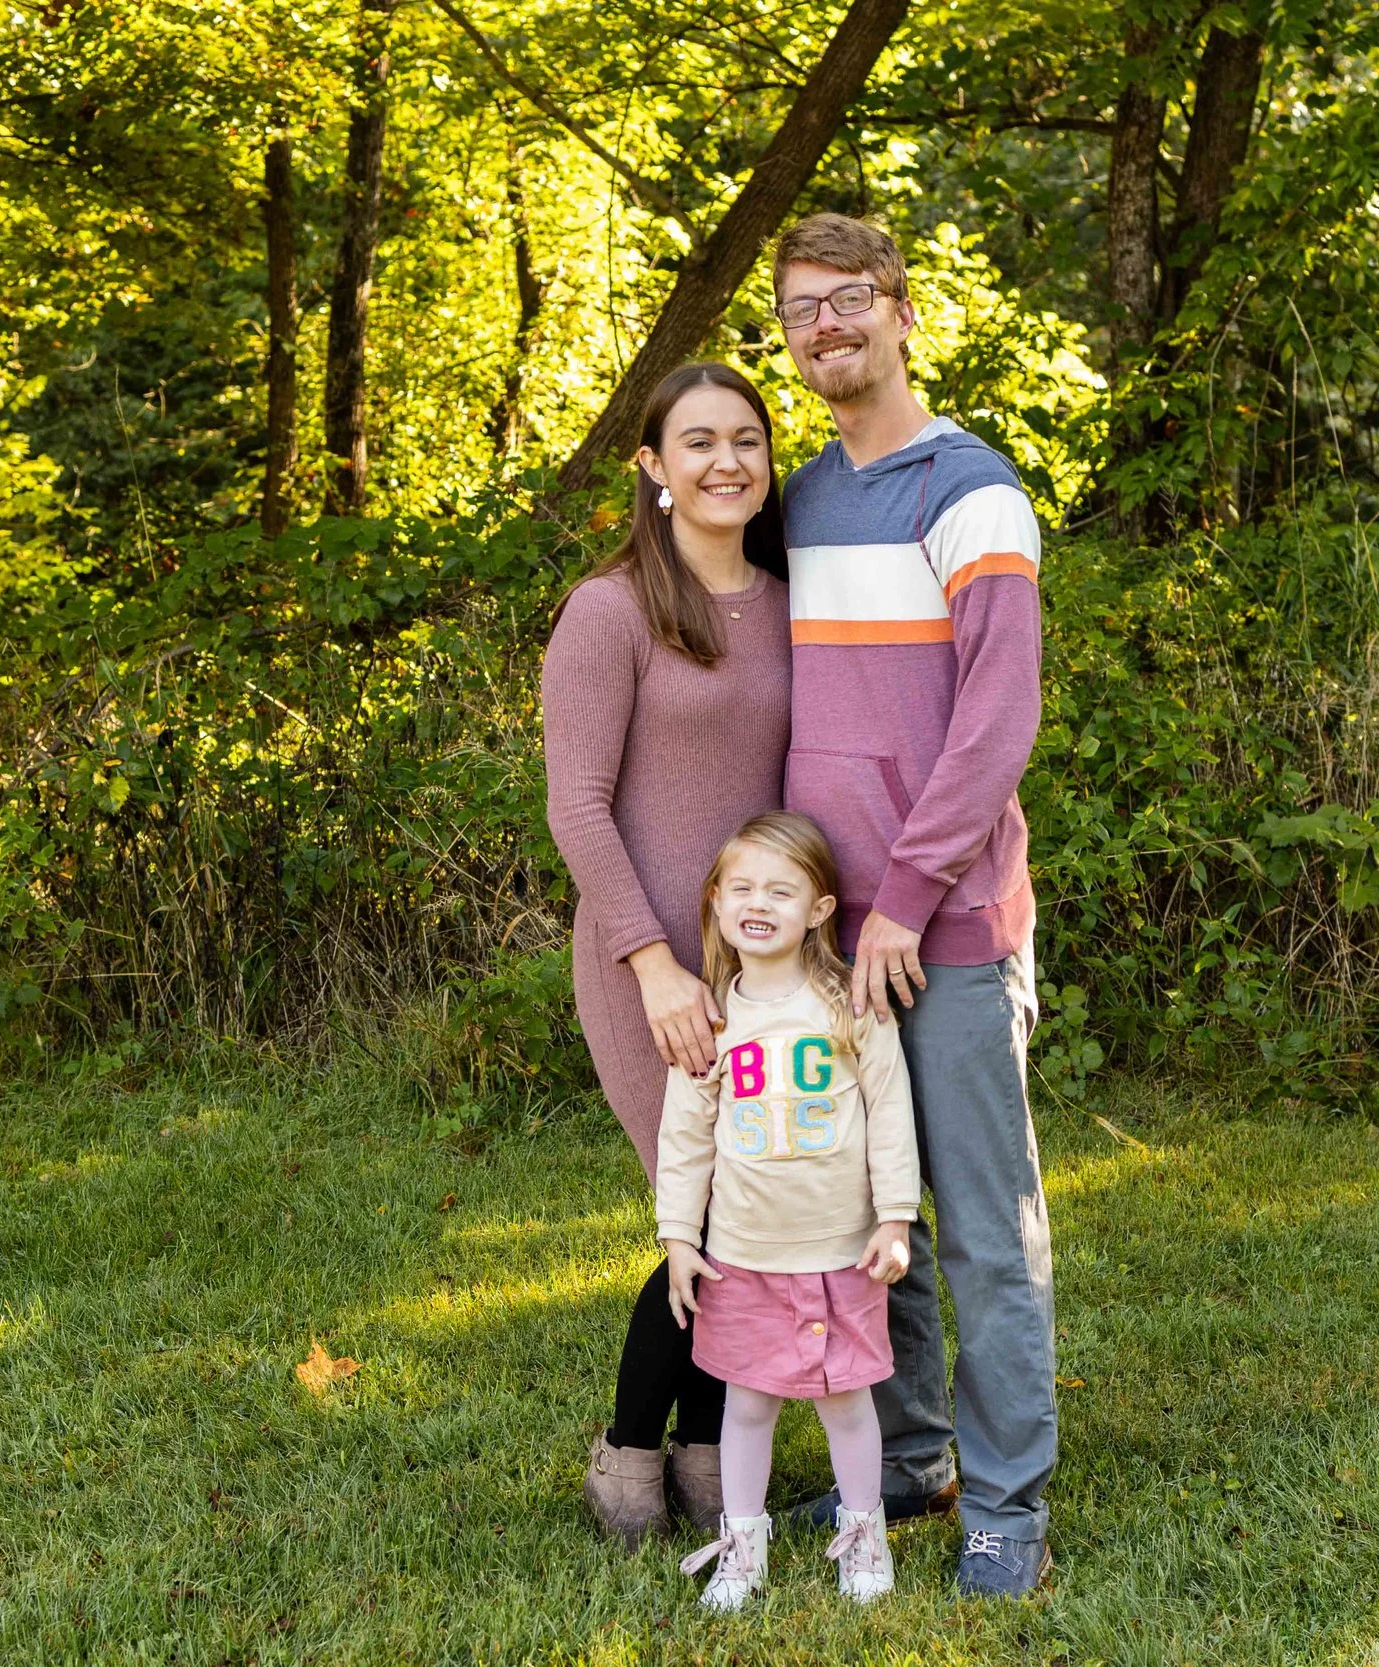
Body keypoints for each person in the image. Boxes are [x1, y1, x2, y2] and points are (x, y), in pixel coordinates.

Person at [767, 213, 1059, 1596]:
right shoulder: (804, 502)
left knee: (986, 1230)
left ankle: (1007, 1506)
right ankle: (916, 1454)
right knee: (865, 1210)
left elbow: (997, 721)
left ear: (900, 309)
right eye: (799, 310)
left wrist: (905, 896)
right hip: (831, 936)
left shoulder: (972, 492)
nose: (824, 327)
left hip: (942, 930)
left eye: (847, 300)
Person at [541, 362, 792, 1546]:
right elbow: (576, 805)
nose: (725, 461)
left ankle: (707, 1452)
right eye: (697, 441)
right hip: (650, 962)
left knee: (763, 1205)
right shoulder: (610, 611)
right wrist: (651, 961)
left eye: (746, 438)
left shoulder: (789, 601)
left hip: (766, 963)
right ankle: (629, 1452)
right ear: (652, 466)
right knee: (708, 1211)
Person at [656, 812, 920, 1611]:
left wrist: (895, 1217)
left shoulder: (849, 1005)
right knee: (747, 1403)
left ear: (818, 909)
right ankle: (743, 1545)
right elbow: (685, 1136)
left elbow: (890, 1110)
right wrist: (680, 1236)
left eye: (780, 890)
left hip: (841, 1250)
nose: (758, 902)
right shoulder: (711, 1018)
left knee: (846, 1402)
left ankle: (864, 1534)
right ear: (715, 902)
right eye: (741, 888)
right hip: (743, 1253)